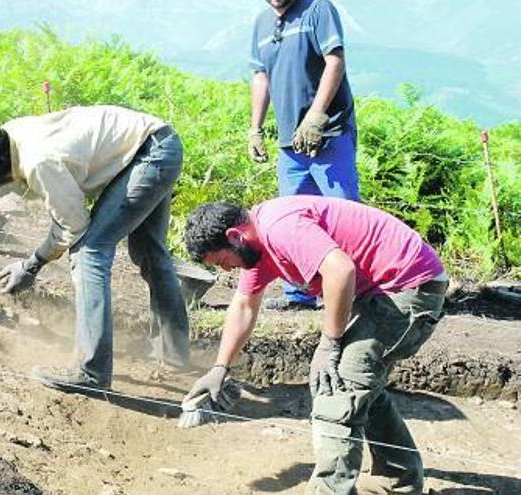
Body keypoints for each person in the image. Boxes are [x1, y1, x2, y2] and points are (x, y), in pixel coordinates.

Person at [0, 105, 190, 391]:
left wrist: (30, 265)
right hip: (153, 141)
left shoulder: (40, 161)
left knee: (89, 251)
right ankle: (175, 353)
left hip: (150, 155)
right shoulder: (4, 138)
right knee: (149, 252)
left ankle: (92, 373)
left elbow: (73, 227)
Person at [182, 196, 448, 495]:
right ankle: (398, 482)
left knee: (338, 385)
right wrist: (220, 367)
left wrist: (329, 342)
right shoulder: (256, 246)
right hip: (384, 291)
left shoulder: (280, 227)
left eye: (222, 262)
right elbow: (244, 304)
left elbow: (340, 270)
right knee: (358, 384)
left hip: (408, 287)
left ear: (234, 237)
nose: (227, 270)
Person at [248, 0, 360, 310]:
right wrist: (255, 128)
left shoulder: (318, 9)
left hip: (330, 134)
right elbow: (261, 77)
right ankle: (300, 294)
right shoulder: (261, 23)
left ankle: (357, 293)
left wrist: (316, 114)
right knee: (292, 220)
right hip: (289, 143)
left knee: (344, 216)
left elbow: (335, 60)